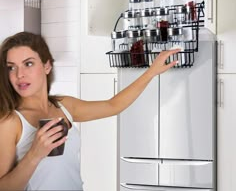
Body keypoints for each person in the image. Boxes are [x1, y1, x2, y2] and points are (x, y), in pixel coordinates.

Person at [0, 32, 179, 190]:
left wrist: (151, 72)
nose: (19, 74)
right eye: (11, 67)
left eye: (28, 64)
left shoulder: (64, 106)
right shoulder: (10, 122)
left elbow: (113, 106)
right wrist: (34, 154)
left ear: (47, 66)